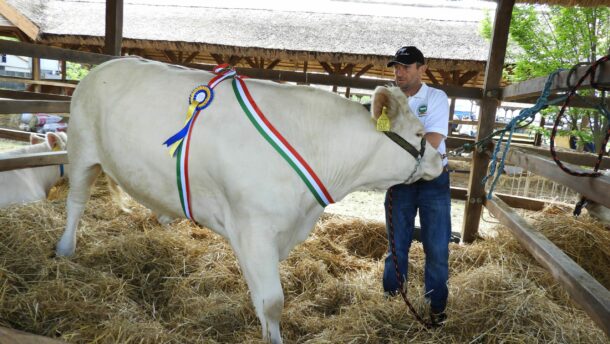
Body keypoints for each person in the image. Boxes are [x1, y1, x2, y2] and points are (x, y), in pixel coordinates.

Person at [382, 46, 451, 326]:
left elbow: (434, 138)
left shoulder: (435, 97)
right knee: (396, 247)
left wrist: (398, 149)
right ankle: (391, 305)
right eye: (396, 66)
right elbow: (380, 134)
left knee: (436, 247)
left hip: (432, 180)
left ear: (422, 68)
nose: (399, 72)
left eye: (406, 67)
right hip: (399, 181)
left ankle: (436, 308)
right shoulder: (388, 99)